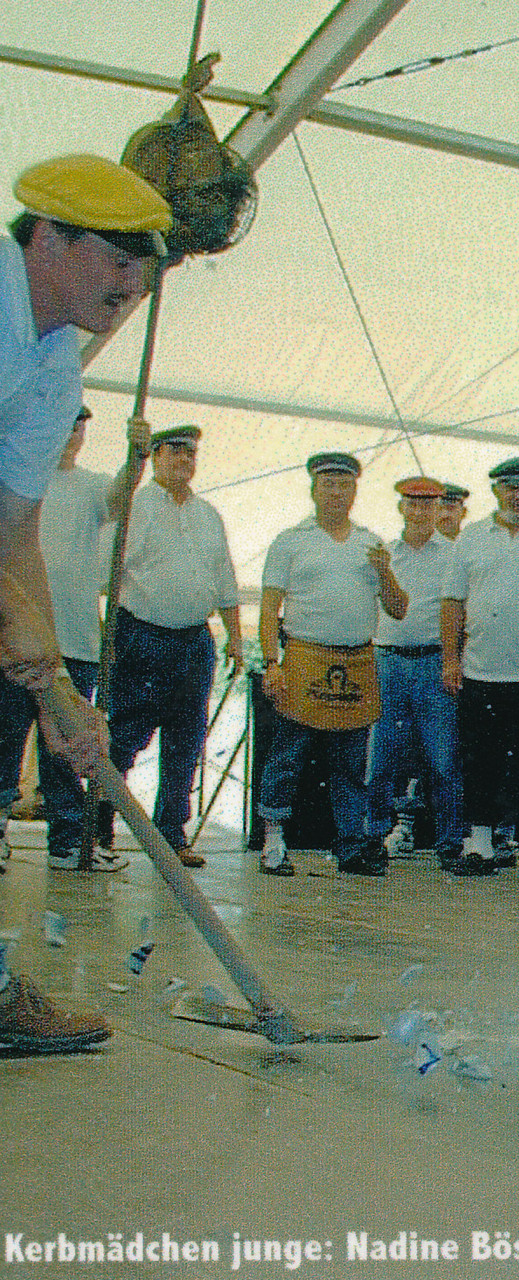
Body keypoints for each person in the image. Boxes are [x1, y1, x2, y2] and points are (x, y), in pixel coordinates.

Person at [0, 153, 169, 1053]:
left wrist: (58, 691)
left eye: (145, 268)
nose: (133, 285)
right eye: (118, 259)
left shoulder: (55, 362)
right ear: (51, 240)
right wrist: (19, 626)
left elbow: (15, 526)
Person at [0, 407, 142, 873]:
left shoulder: (92, 486)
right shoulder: (18, 480)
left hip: (75, 639)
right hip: (16, 640)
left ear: (83, 433)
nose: (67, 434)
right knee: (5, 741)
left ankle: (66, 842)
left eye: (76, 425)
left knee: (67, 747)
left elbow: (119, 498)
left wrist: (136, 461)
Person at [255, 452, 406, 877]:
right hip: (303, 657)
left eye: (344, 485)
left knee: (351, 765)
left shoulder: (372, 543)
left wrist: (385, 572)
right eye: (328, 485)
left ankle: (351, 846)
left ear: (355, 491)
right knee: (287, 756)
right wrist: (272, 663)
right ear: (313, 490)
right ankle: (273, 841)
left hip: (357, 660)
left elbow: (398, 609)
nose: (337, 493)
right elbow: (269, 610)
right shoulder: (290, 540)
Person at [98, 424, 241, 870]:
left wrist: (236, 637)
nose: (183, 460)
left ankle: (170, 835)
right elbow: (109, 569)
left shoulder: (208, 515)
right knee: (123, 737)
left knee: (186, 742)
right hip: (140, 636)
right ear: (155, 457)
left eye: (190, 454)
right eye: (174, 452)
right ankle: (100, 826)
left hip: (193, 642)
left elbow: (226, 580)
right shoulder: (134, 506)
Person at [441, 457, 519, 877]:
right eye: (510, 488)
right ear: (495, 491)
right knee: (480, 762)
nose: (518, 496)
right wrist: (450, 659)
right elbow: (453, 603)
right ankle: (479, 847)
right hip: (479, 671)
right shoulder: (470, 539)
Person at [365, 475, 463, 870]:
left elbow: (462, 613)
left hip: (435, 662)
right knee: (381, 757)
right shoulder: (383, 555)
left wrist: (454, 661)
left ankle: (450, 843)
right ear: (401, 508)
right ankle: (372, 836)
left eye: (429, 504)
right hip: (387, 661)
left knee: (443, 760)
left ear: (441, 508)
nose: (421, 512)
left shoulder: (456, 555)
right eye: (413, 504)